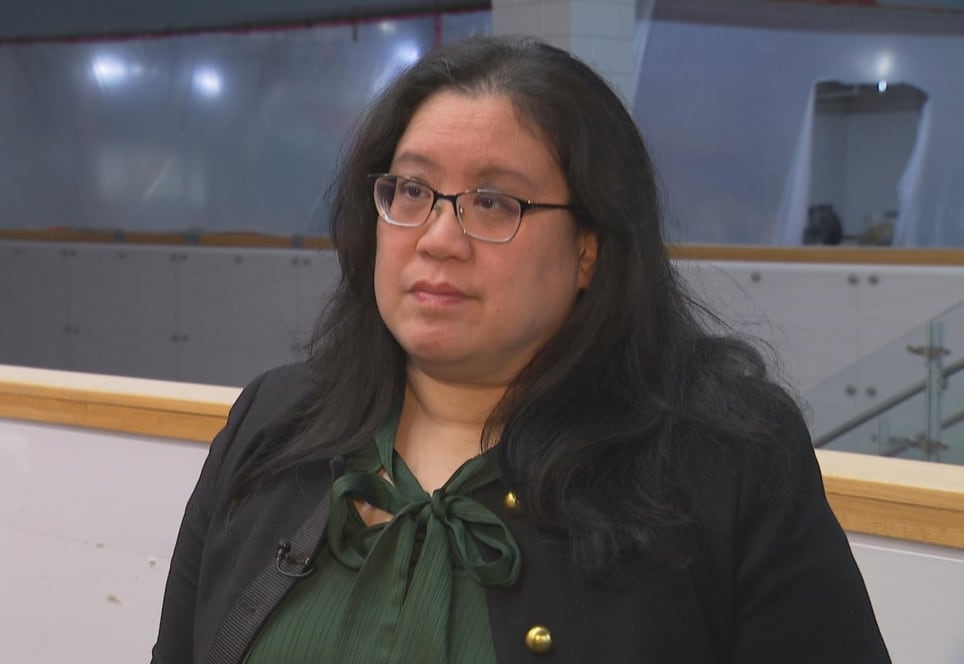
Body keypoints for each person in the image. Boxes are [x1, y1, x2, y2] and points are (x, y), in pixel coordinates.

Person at [151, 36, 890, 663]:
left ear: (589, 253)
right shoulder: (271, 424)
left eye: (494, 203)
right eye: (411, 191)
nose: (438, 238)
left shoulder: (722, 460)